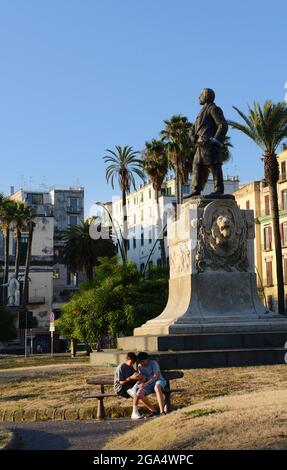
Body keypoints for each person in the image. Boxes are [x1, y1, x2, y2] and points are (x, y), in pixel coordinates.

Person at [189, 88, 228, 196]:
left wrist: (216, 140)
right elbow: (193, 128)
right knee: (196, 166)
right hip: (199, 145)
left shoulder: (213, 109)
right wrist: (192, 136)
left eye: (200, 95)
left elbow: (223, 125)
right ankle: (195, 190)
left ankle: (219, 189)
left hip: (209, 144)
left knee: (215, 165)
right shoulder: (201, 112)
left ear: (206, 96)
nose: (198, 97)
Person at [131, 352, 167, 419]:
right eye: (140, 361)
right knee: (139, 393)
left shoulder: (153, 363)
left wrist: (145, 384)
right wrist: (140, 383)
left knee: (157, 387)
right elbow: (143, 377)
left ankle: (162, 412)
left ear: (147, 359)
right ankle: (154, 411)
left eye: (143, 361)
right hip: (149, 384)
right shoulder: (139, 366)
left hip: (159, 381)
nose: (142, 363)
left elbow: (156, 376)